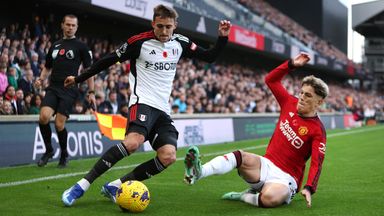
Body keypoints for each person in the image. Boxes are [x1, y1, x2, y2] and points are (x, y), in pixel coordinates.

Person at [61, 4, 231, 206]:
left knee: (168, 156)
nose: (164, 31)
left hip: (162, 111)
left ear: (175, 25)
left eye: (168, 27)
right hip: (141, 103)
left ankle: (115, 185)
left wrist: (222, 37)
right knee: (133, 142)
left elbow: (209, 56)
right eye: (160, 26)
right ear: (153, 23)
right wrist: (80, 78)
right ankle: (81, 186)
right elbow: (107, 60)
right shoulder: (138, 42)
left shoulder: (181, 42)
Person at [184, 53, 328, 208]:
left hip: (287, 179)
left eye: (308, 95)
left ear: (319, 102)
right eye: (301, 92)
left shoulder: (318, 130)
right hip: (264, 165)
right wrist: (290, 64)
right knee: (239, 156)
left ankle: (244, 196)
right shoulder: (289, 102)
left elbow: (316, 163)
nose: (301, 97)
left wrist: (309, 187)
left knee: (270, 198)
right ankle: (199, 172)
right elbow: (270, 80)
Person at [34, 14, 94, 168]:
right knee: (43, 117)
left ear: (77, 27)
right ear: (62, 25)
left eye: (73, 25)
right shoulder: (55, 45)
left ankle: (64, 154)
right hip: (53, 87)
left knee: (59, 124)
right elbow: (47, 67)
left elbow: (89, 70)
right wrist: (41, 78)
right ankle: (48, 150)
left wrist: (91, 92)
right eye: (67, 24)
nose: (70, 28)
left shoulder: (81, 46)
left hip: (70, 89)